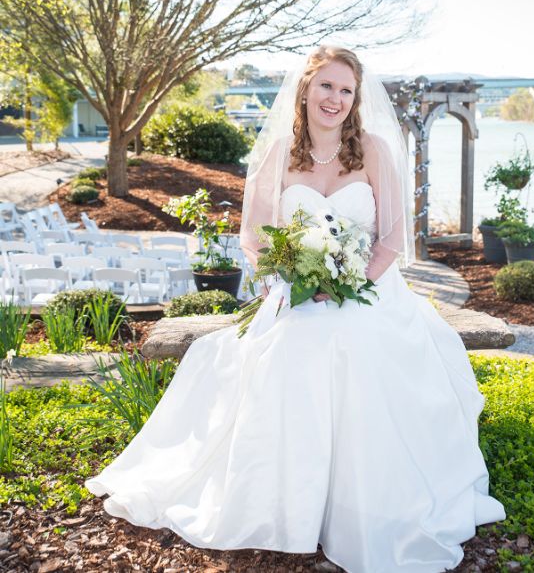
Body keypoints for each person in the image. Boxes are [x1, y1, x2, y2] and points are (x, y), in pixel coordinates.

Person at [86, 46, 505, 573]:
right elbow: (256, 241)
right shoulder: (279, 153)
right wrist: (285, 285)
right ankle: (285, 503)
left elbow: (393, 239)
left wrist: (348, 283)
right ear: (306, 89)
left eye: (345, 90)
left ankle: (359, 503)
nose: (335, 99)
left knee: (354, 342)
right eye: (326, 86)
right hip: (294, 291)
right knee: (292, 343)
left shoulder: (373, 149)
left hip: (369, 290)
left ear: (356, 100)